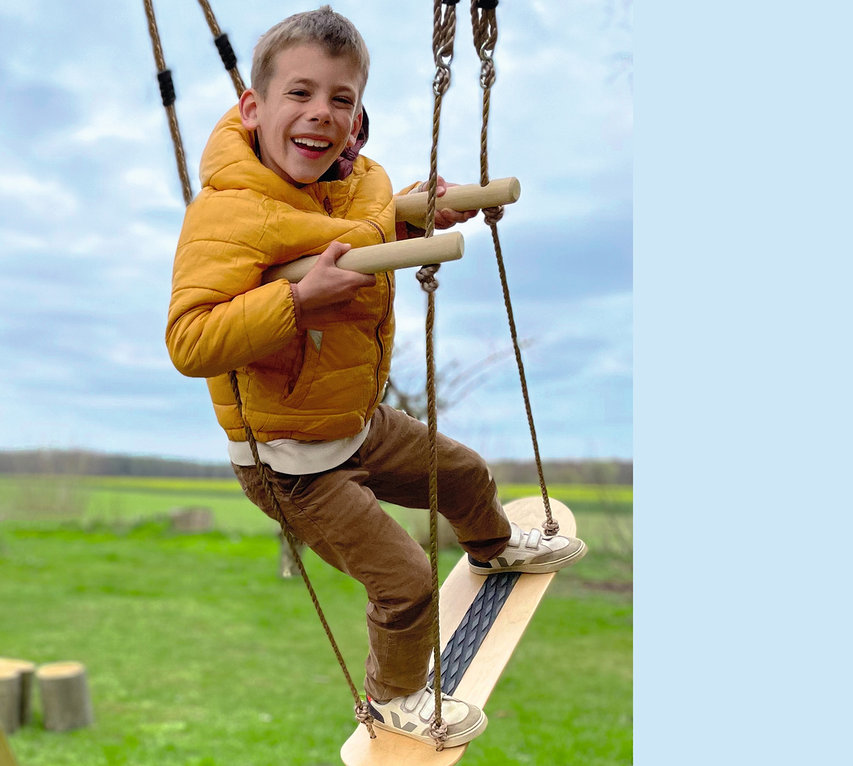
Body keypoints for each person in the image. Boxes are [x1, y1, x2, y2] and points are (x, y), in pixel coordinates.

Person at [165, 5, 587, 749]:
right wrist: (296, 302)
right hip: (288, 461)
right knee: (407, 582)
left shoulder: (360, 182)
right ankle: (394, 699)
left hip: (358, 419)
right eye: (300, 93)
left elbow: (362, 226)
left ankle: (491, 548)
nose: (320, 114)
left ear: (358, 117)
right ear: (253, 107)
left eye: (341, 98)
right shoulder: (226, 214)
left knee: (465, 475)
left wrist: (414, 217)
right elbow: (190, 340)